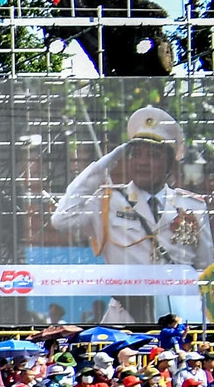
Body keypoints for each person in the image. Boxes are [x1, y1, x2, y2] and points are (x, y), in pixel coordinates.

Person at [52, 105, 214, 272]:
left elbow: (207, 271)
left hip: (177, 298)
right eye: (135, 154)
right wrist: (104, 165)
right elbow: (61, 220)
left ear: (170, 164)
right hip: (127, 298)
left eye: (153, 155)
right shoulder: (107, 202)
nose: (142, 162)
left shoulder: (192, 207)